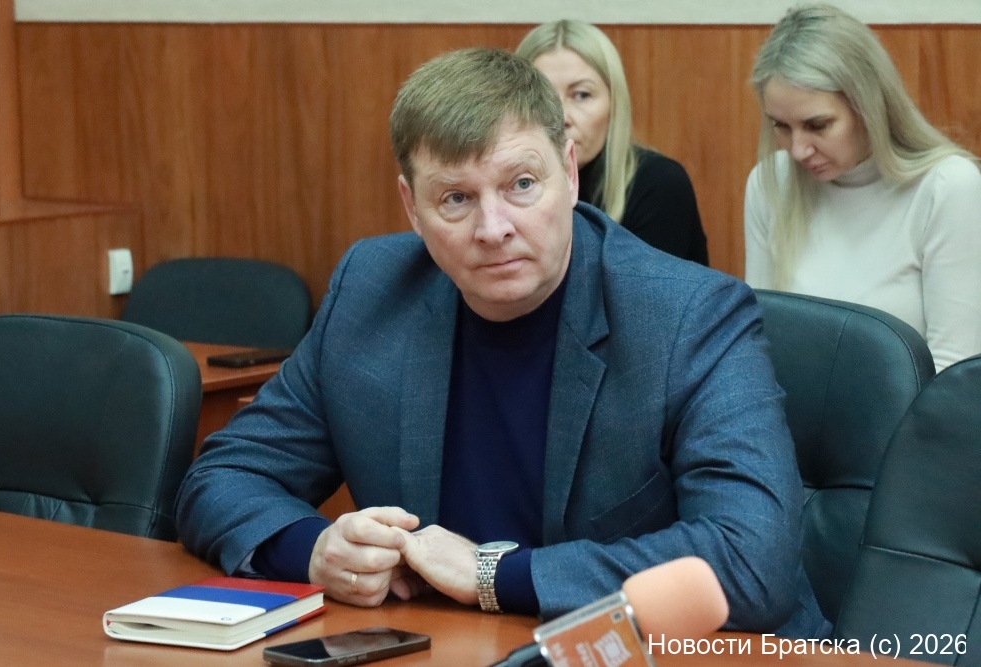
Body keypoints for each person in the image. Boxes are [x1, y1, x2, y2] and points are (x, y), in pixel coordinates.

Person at [176, 47, 828, 639]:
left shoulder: (688, 314)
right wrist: (314, 549)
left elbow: (751, 562)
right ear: (411, 207)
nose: (494, 228)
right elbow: (223, 476)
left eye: (521, 185)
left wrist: (492, 574)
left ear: (569, 172)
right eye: (456, 198)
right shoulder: (371, 293)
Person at [744, 3, 981, 372]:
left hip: (912, 410)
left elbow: (953, 371)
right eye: (781, 126)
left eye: (818, 125)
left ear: (869, 106)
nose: (798, 149)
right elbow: (759, 342)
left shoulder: (947, 188)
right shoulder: (771, 181)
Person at [516, 19, 709, 265]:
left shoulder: (658, 183)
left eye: (582, 95)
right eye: (543, 98)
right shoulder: (499, 188)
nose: (562, 117)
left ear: (614, 104)